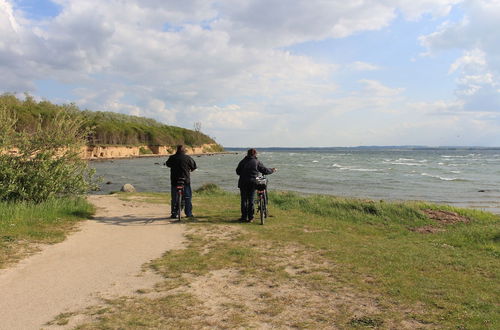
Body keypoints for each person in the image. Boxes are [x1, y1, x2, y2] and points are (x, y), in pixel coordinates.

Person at [236, 148, 276, 222]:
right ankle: (251, 217)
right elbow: (265, 170)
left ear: (247, 154)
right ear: (255, 154)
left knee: (244, 200)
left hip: (243, 182)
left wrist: (244, 173)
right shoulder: (257, 162)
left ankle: (244, 217)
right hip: (252, 183)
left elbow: (237, 171)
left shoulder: (243, 161)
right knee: (251, 200)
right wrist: (272, 170)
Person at [165, 145, 197, 219]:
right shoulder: (188, 158)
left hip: (174, 180)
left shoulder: (172, 157)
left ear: (177, 150)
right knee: (188, 197)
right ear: (184, 150)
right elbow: (194, 167)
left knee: (174, 198)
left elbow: (167, 164)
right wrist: (189, 170)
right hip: (185, 180)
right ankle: (188, 213)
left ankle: (174, 213)